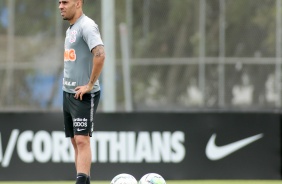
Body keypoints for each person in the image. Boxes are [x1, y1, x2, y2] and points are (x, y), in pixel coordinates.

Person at [59, 0, 105, 184]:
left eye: (65, 2)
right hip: (68, 93)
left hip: (83, 94)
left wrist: (89, 85)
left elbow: (100, 54)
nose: (60, 6)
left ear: (78, 3)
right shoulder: (71, 29)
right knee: (74, 140)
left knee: (81, 140)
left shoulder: (87, 26)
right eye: (59, 2)